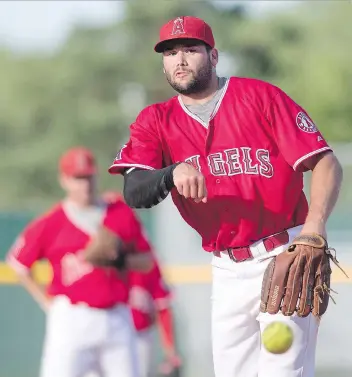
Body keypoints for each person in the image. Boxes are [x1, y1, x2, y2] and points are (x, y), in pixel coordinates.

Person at [107, 15, 344, 377]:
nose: (180, 60)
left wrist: (314, 229)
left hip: (285, 255)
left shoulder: (260, 97)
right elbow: (135, 190)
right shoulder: (155, 120)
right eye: (170, 53)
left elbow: (326, 163)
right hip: (226, 268)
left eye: (190, 49)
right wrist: (171, 172)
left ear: (213, 56)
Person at [6, 146, 152, 377]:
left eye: (89, 176)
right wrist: (47, 302)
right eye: (78, 178)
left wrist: (122, 260)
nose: (85, 184)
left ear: (97, 176)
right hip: (72, 318)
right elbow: (17, 263)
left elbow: (147, 261)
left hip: (116, 317)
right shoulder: (52, 222)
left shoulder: (119, 213)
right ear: (64, 180)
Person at [101, 191, 182, 377]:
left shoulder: (146, 260)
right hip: (102, 333)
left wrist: (171, 353)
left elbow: (163, 307)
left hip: (139, 338)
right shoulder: (95, 261)